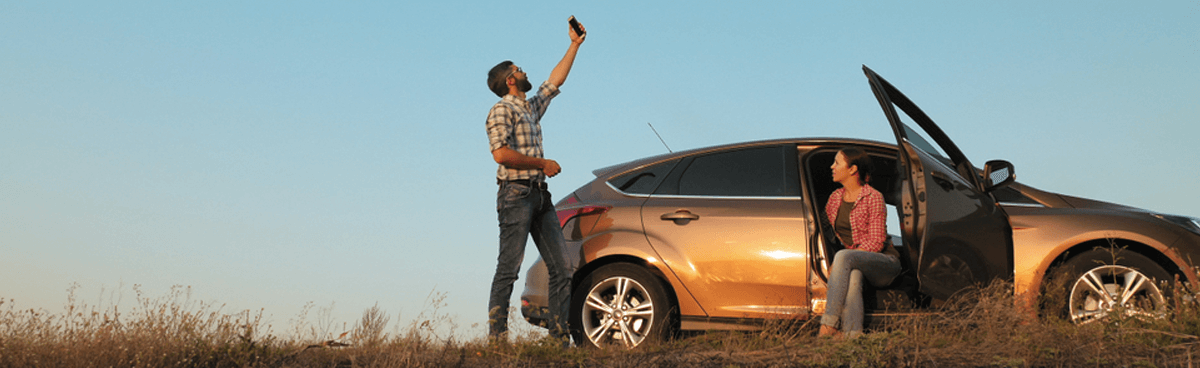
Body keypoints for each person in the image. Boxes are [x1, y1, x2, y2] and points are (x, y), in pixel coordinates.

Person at [484, 17, 586, 345]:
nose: (526, 72)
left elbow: (552, 84)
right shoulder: (501, 110)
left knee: (562, 269)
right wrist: (542, 162)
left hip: (540, 196)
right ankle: (497, 338)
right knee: (509, 269)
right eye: (520, 69)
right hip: (515, 195)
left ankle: (559, 339)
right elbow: (500, 154)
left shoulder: (529, 109)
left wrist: (574, 45)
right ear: (511, 79)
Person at [818, 147, 902, 339]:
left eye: (837, 162)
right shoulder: (834, 198)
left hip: (884, 262)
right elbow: (822, 226)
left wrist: (843, 259)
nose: (832, 167)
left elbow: (876, 241)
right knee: (854, 276)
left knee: (844, 257)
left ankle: (829, 324)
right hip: (856, 262)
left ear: (853, 169)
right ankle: (852, 335)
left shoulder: (873, 197)